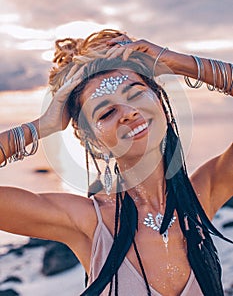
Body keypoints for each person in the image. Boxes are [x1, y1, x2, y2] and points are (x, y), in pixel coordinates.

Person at [0, 29, 232, 296]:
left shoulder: (206, 193)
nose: (129, 112)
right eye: (107, 112)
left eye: (135, 94)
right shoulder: (87, 222)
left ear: (160, 100)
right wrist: (42, 126)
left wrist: (174, 61)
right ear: (93, 140)